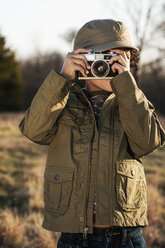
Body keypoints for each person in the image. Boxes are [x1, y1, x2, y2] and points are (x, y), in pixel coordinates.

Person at [19, 19, 165, 248]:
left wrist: (126, 85)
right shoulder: (62, 100)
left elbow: (148, 142)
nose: (111, 67)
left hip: (126, 237)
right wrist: (62, 79)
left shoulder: (133, 102)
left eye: (120, 59)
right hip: (74, 237)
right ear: (83, 59)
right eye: (104, 58)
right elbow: (33, 131)